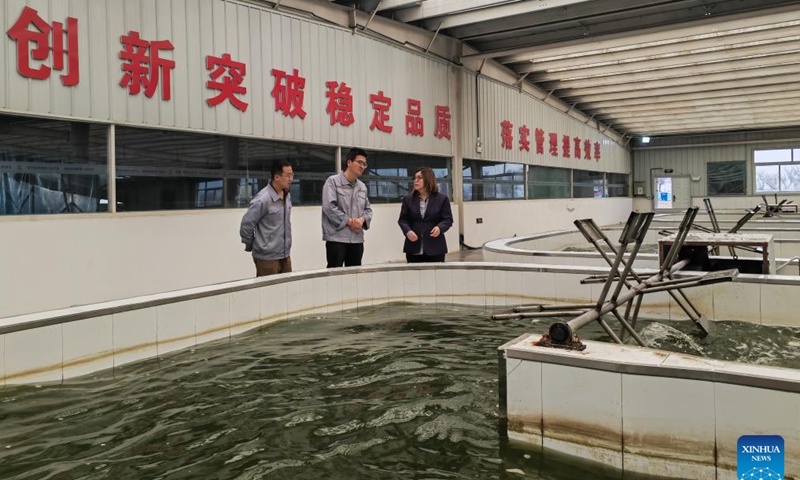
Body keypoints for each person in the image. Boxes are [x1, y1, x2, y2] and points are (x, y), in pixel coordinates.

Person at [239, 159, 293, 277]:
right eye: (288, 175)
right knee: (269, 294)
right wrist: (251, 244)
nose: (291, 179)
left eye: (292, 175)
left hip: (285, 255)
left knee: (287, 292)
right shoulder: (262, 199)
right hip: (267, 259)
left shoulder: (287, 195)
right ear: (277, 177)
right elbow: (246, 224)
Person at [321, 147, 373, 267]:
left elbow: (368, 210)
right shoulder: (333, 182)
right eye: (359, 162)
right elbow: (329, 207)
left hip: (357, 239)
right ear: (349, 162)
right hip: (337, 239)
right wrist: (349, 221)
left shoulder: (362, 187)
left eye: (364, 164)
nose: (362, 166)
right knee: (335, 276)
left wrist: (361, 220)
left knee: (354, 277)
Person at [398, 167, 453, 263]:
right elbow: (403, 220)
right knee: (414, 277)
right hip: (413, 248)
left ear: (428, 179)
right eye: (415, 178)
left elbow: (448, 220)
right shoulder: (408, 199)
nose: (416, 180)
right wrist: (408, 231)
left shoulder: (442, 199)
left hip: (435, 248)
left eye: (419, 178)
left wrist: (439, 228)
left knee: (435, 277)